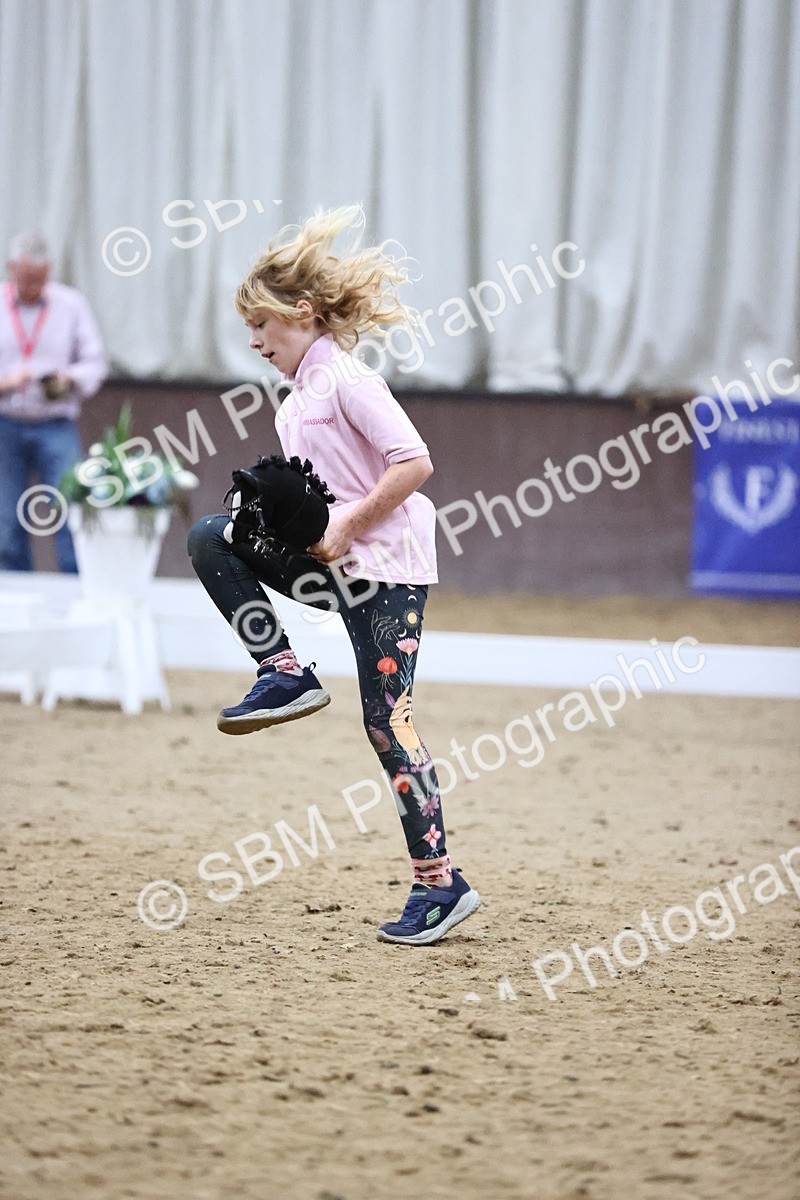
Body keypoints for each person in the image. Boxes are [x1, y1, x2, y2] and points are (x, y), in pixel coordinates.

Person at [188, 206, 481, 946]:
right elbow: (319, 501)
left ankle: (440, 887)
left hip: (389, 575)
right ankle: (283, 670)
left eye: (263, 326)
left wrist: (347, 521)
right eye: (249, 329)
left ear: (304, 313)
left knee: (388, 724)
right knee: (212, 537)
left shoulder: (348, 379)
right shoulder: (294, 404)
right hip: (335, 564)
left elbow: (414, 462)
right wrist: (280, 520)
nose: (254, 341)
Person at [0, 232, 108, 572]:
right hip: (5, 423)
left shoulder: (70, 304)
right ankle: (11, 596)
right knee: (6, 518)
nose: (35, 284)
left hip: (56, 423)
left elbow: (96, 361)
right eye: (28, 277)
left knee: (69, 510)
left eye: (41, 277)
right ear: (11, 268)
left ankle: (76, 587)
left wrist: (69, 379)